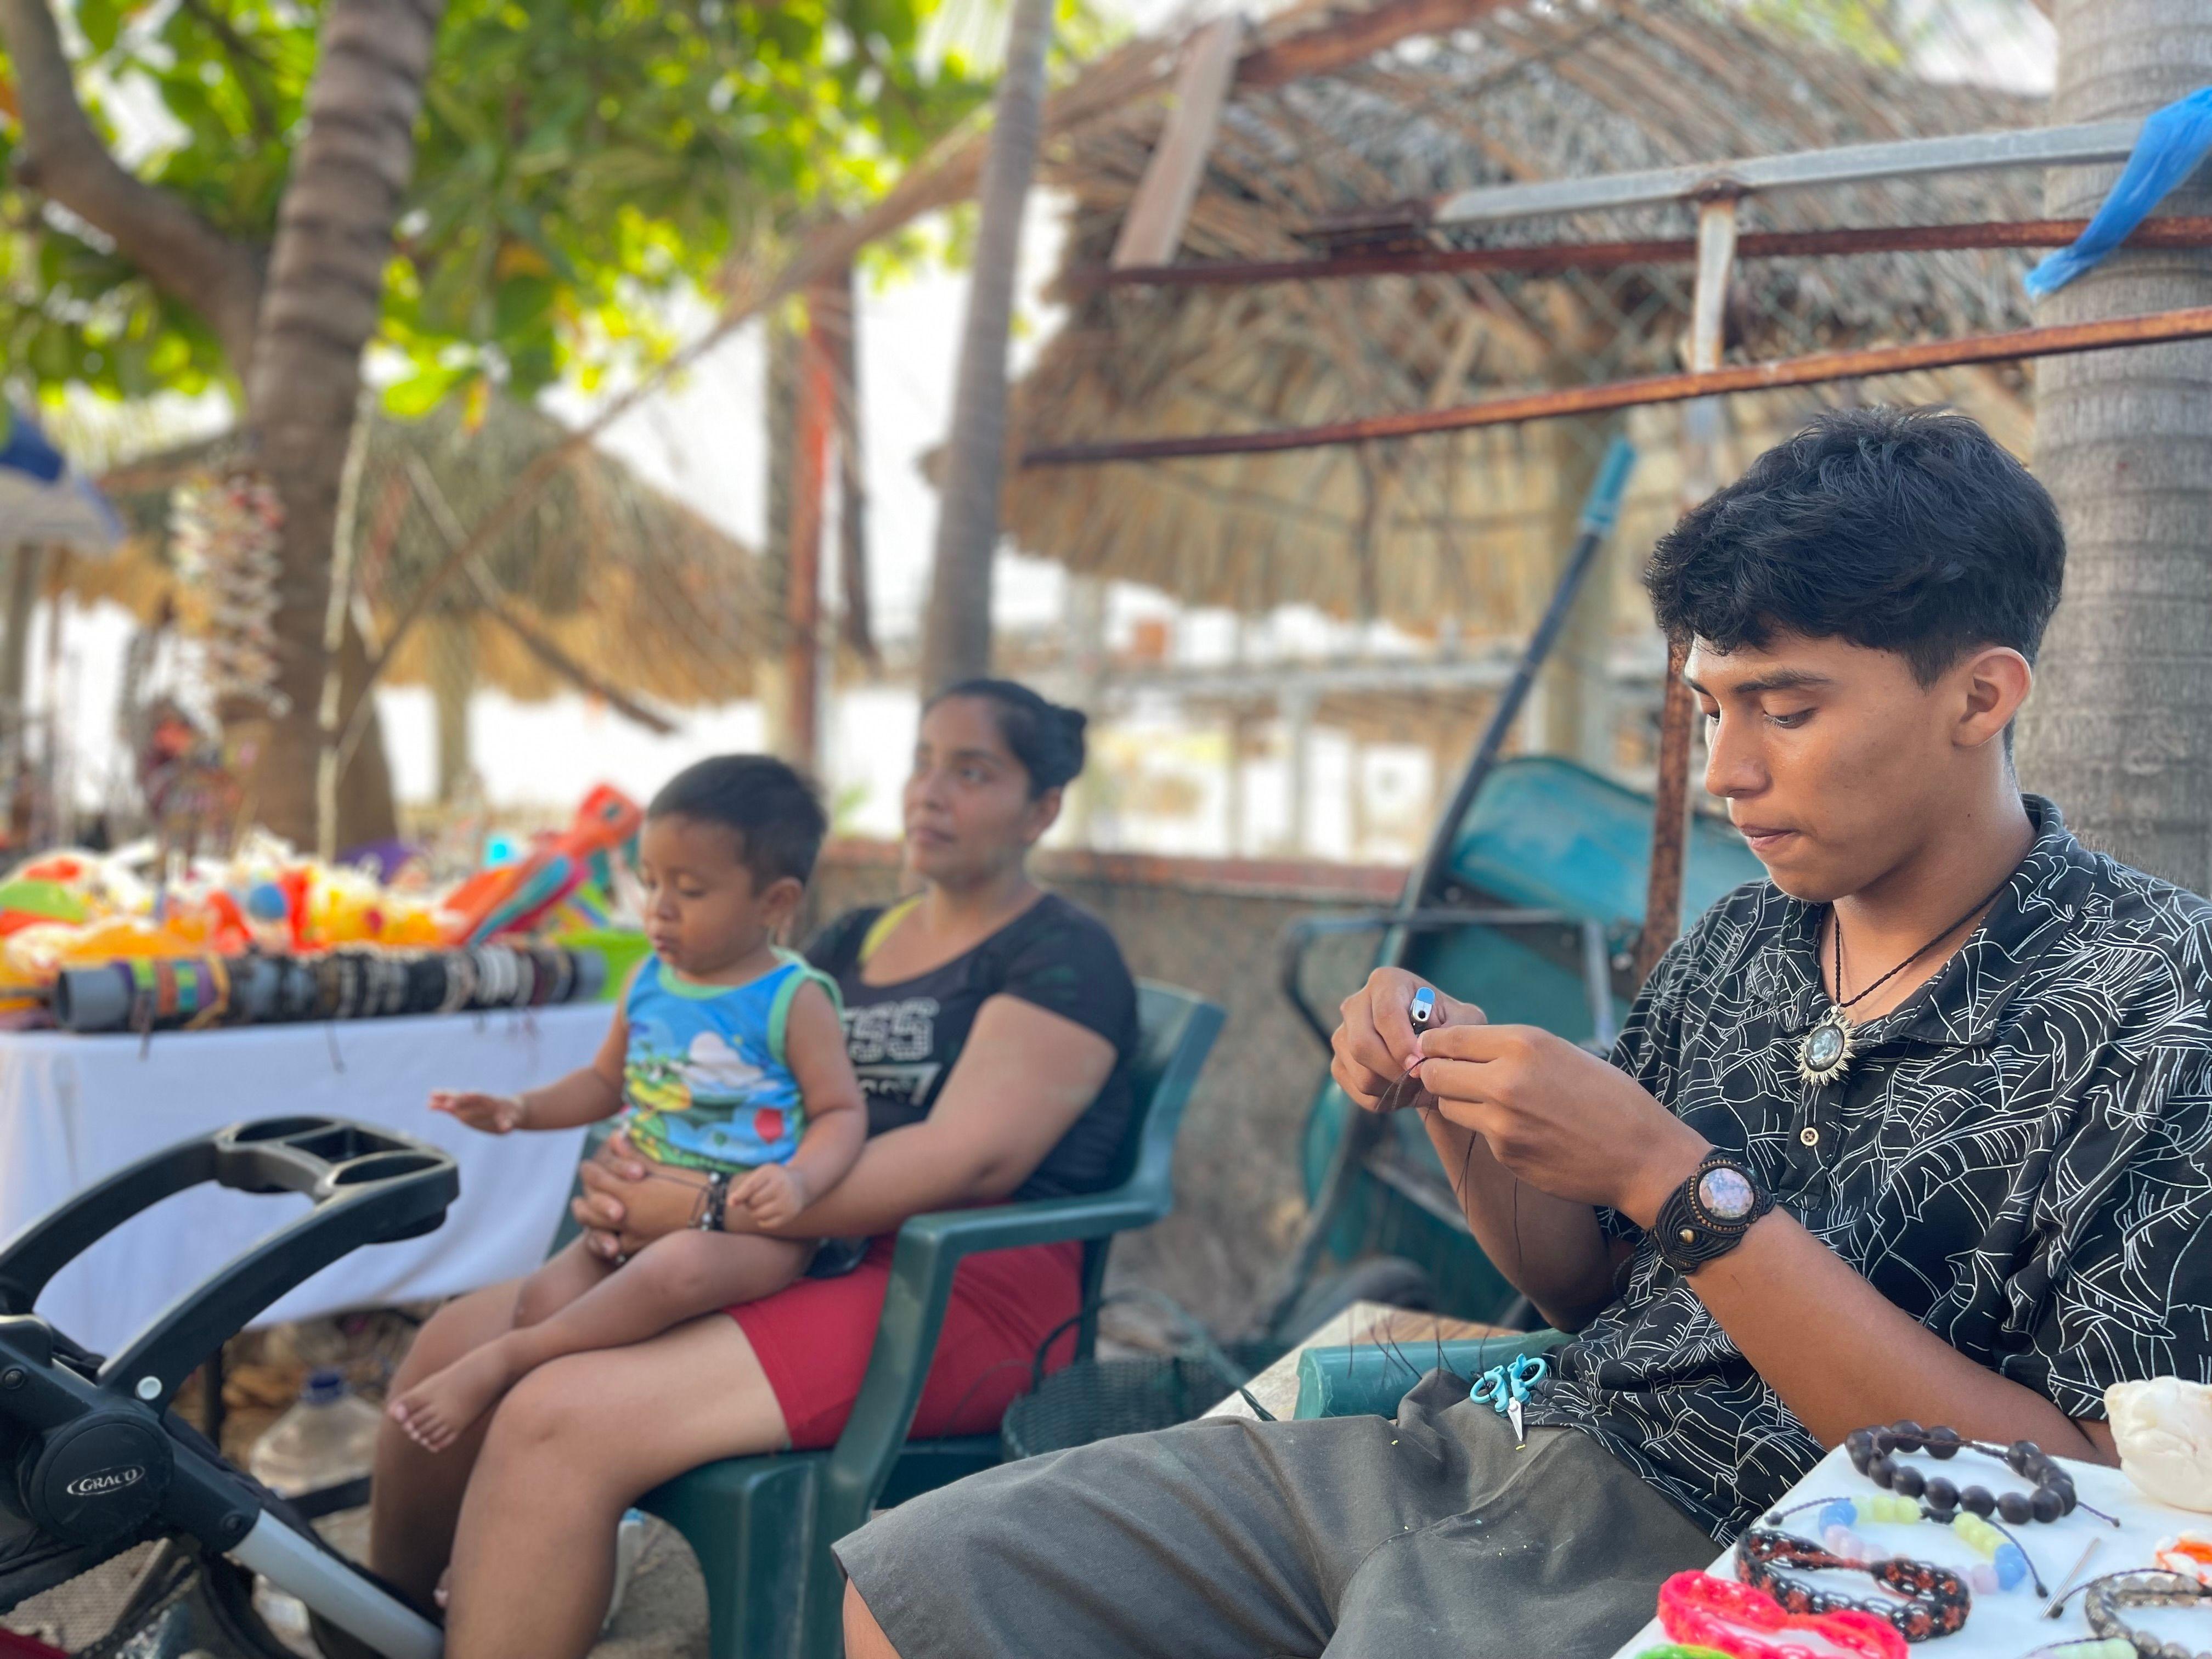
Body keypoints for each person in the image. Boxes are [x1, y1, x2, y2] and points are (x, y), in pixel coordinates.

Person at [839, 408, 2212, 1659]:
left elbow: (2093, 1488)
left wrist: (1678, 1187)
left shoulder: (2157, 1005)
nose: (1730, 772)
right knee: (931, 1576)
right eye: (1711, 710)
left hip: (1780, 1564)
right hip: (1506, 1455)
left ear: (1982, 697)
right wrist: (1460, 1095)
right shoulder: (1745, 944)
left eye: (1786, 711)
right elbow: (1593, 1301)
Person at [365, 679, 1139, 1659]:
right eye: (922, 762)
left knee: (555, 1417)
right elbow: (722, 1061)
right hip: (801, 1248)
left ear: (1042, 808)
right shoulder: (854, 939)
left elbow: (973, 1153)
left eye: (972, 771)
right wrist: (639, 1166)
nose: (928, 792)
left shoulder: (1064, 953)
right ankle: (382, 1635)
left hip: (956, 1286)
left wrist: (710, 1204)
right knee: (455, 1339)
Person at [387, 755, 865, 1453]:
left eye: (691, 890)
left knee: (678, 1270)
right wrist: (521, 1110)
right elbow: (604, 1083)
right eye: (649, 883)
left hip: (746, 1237)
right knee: (541, 1300)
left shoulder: (794, 998)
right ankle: (537, 1435)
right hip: (634, 1217)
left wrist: (799, 1181)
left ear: (775, 903)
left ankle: (509, 1361)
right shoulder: (649, 980)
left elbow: (841, 1113)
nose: (659, 909)